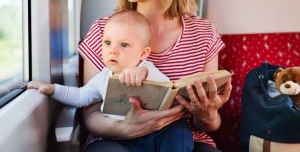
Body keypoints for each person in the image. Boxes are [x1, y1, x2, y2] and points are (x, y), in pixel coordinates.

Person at [79, 0, 232, 152]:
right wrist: (126, 129)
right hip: (116, 140)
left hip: (181, 139)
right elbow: (90, 114)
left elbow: (210, 125)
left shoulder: (203, 32)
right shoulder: (103, 30)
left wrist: (208, 115)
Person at [27, 9, 194, 152]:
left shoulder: (147, 69)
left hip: (160, 133)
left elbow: (170, 91)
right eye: (107, 42)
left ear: (143, 53)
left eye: (124, 45)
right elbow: (79, 96)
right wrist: (52, 89)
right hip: (121, 138)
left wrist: (141, 72)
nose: (113, 51)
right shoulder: (103, 77)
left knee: (179, 135)